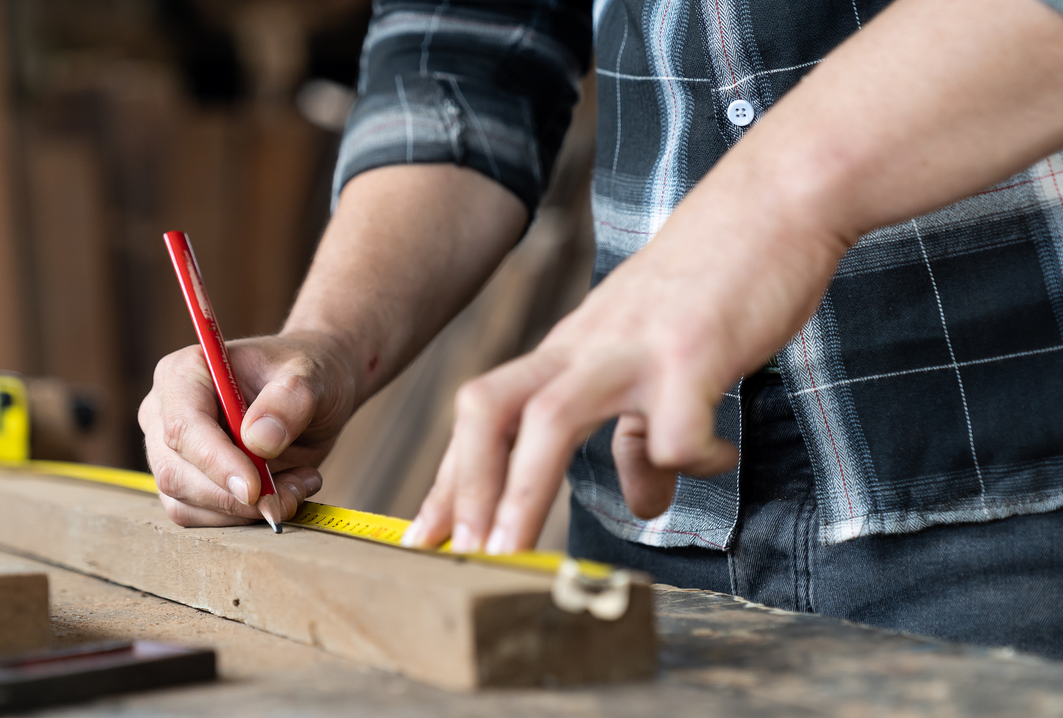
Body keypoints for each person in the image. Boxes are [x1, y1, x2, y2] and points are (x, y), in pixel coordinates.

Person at [139, 0, 1063, 656]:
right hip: (647, 537)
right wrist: (332, 340)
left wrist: (775, 202)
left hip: (1019, 494)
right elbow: (467, 41)